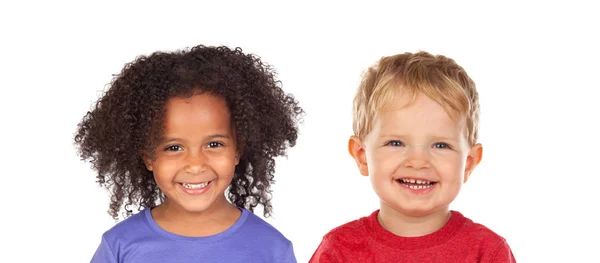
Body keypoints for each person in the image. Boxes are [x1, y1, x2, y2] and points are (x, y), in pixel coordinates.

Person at [75, 45, 303, 263]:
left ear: (238, 150)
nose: (195, 165)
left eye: (214, 144)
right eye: (173, 147)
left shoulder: (271, 248)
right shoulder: (120, 246)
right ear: (148, 157)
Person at [309, 51, 516, 262]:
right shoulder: (338, 250)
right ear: (362, 156)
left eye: (441, 145)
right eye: (396, 143)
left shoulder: (488, 251)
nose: (418, 161)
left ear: (468, 163)